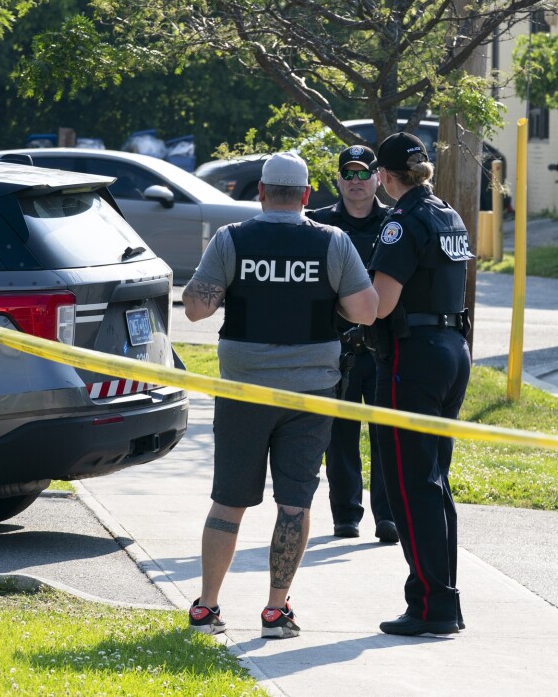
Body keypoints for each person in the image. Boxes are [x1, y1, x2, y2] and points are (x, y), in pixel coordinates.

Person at [181, 152, 378, 639]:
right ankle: (275, 611)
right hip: (310, 394)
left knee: (229, 501)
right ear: (308, 196)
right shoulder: (332, 241)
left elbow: (195, 310)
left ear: (261, 193)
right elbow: (367, 311)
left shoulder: (232, 239)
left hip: (243, 392)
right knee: (295, 502)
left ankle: (207, 608)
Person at [366, 131, 475, 637]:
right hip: (453, 350)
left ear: (384, 177)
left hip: (415, 357)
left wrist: (341, 306)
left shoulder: (401, 223)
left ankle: (433, 606)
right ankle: (439, 597)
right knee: (433, 481)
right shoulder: (446, 213)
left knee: (410, 486)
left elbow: (380, 305)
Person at [307, 144, 399, 544]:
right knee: (339, 438)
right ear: (338, 180)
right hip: (338, 347)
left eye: (365, 174)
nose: (357, 181)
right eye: (349, 174)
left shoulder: (397, 222)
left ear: (379, 178)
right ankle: (346, 516)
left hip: (384, 347)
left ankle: (388, 517)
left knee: (385, 436)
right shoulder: (318, 225)